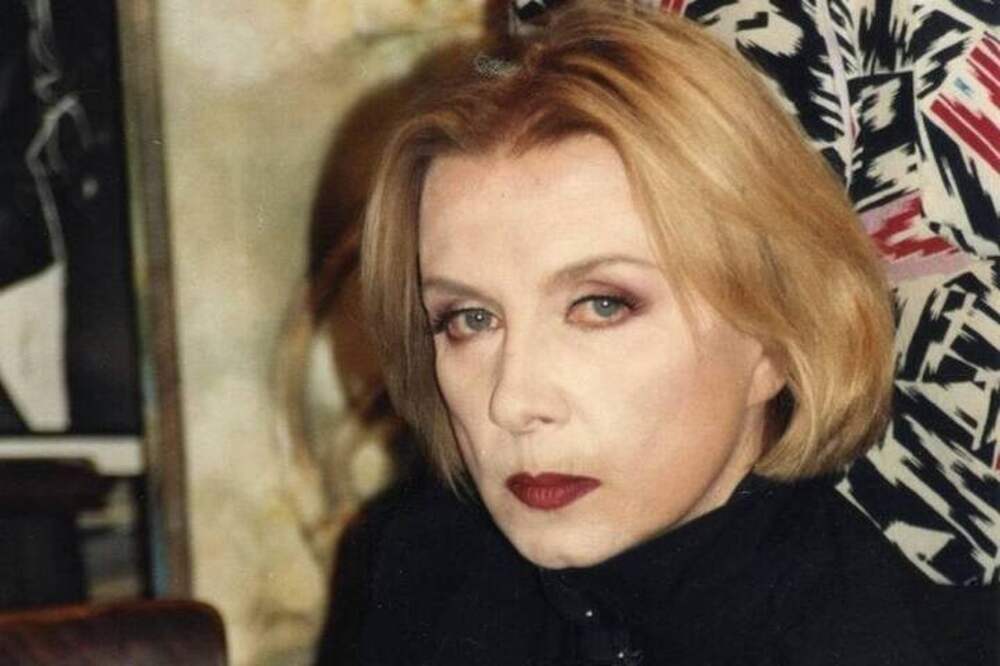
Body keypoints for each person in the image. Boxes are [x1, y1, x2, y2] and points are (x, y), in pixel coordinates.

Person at [332, 2, 966, 663]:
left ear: (774, 337)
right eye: (471, 318)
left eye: (601, 306)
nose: (513, 402)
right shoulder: (423, 571)